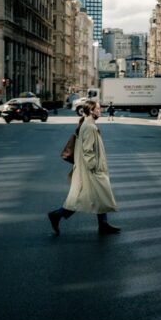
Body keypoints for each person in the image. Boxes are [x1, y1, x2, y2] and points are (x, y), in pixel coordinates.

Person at [48, 100, 120, 235]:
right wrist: (94, 167)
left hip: (90, 169)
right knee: (82, 198)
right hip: (91, 170)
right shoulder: (89, 126)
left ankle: (103, 225)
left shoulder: (89, 124)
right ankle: (57, 215)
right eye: (98, 109)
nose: (100, 110)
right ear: (91, 111)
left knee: (99, 196)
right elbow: (88, 150)